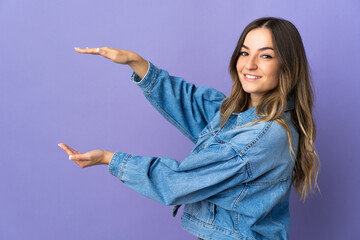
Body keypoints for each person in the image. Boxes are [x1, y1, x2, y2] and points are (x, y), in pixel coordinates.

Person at [58, 17, 320, 240]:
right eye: (244, 52)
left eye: (265, 55)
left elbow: (178, 183)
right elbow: (191, 102)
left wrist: (110, 159)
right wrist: (136, 62)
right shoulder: (236, 114)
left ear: (287, 65)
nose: (249, 64)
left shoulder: (264, 136)